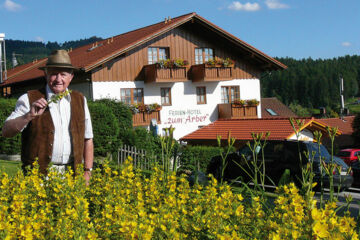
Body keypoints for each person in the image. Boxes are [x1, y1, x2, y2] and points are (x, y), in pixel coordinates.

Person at [2, 50, 94, 184]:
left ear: (71, 76)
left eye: (63, 74)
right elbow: (6, 131)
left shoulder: (80, 100)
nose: (58, 79)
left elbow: (88, 139)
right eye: (53, 74)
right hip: (38, 179)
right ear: (46, 75)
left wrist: (87, 170)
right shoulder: (29, 99)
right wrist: (28, 116)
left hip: (72, 177)